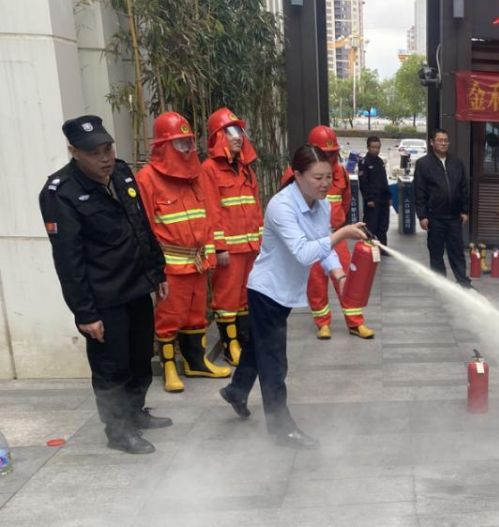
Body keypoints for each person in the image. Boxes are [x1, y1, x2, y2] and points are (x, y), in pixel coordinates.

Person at [220, 145, 369, 448]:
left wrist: (339, 274)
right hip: (267, 291)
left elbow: (322, 246)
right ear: (298, 175)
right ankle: (282, 429)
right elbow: (303, 252)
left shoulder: (321, 205)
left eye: (328, 177)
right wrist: (342, 234)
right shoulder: (281, 206)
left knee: (258, 347)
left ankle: (236, 390)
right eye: (317, 177)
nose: (325, 183)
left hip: (286, 291)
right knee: (274, 361)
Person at [39, 115, 171, 454]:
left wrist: (156, 272)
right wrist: (85, 313)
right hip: (104, 297)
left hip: (136, 286)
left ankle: (135, 411)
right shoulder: (61, 192)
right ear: (74, 152)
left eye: (107, 148)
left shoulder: (122, 173)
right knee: (112, 367)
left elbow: (141, 224)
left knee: (140, 357)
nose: (105, 158)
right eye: (94, 153)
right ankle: (118, 430)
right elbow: (68, 260)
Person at [137, 112, 232, 392]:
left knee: (196, 315)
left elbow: (209, 217)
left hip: (198, 263)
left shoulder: (197, 175)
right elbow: (144, 228)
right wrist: (154, 271)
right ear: (164, 145)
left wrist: (210, 255)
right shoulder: (147, 178)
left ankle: (196, 362)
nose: (188, 149)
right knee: (169, 317)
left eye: (189, 142)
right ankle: (169, 367)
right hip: (171, 266)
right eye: (181, 143)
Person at [282, 126, 374, 340]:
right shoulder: (293, 174)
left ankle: (355, 322)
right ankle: (322, 323)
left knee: (347, 277)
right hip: (309, 238)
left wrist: (338, 223)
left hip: (335, 234)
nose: (331, 158)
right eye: (326, 153)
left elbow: (346, 200)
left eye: (333, 153)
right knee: (315, 282)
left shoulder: (341, 172)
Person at [202, 107, 262, 366]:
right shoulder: (209, 169)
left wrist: (260, 242)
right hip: (229, 251)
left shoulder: (246, 169)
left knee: (245, 296)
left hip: (249, 247)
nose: (238, 137)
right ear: (218, 137)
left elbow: (256, 207)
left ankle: (244, 341)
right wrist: (219, 247)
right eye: (230, 132)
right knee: (226, 298)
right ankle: (230, 346)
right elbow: (211, 210)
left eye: (239, 131)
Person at [414, 128, 472, 288]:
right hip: (434, 217)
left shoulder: (456, 163)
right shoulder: (423, 164)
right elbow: (419, 191)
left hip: (454, 217)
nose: (444, 143)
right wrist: (422, 216)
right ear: (432, 142)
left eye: (446, 140)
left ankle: (463, 282)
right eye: (440, 140)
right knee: (436, 252)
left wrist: (465, 210)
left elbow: (463, 187)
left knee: (457, 251)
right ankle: (440, 284)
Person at [359, 136, 391, 248]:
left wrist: (389, 197)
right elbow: (363, 183)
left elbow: (384, 180)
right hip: (373, 199)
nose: (376, 150)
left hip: (383, 199)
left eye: (378, 147)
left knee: (383, 225)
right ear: (368, 147)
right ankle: (369, 248)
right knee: (371, 225)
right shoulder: (364, 162)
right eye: (373, 147)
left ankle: (383, 248)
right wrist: (369, 199)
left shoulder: (380, 161)